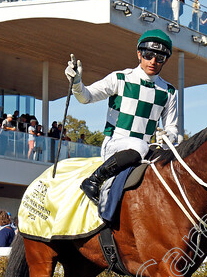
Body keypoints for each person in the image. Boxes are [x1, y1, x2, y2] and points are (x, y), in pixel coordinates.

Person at [65, 29, 178, 204]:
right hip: (115, 144)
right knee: (140, 146)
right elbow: (86, 97)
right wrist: (77, 83)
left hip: (145, 150)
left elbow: (172, 128)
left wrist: (168, 135)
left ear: (166, 60)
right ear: (139, 54)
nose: (153, 61)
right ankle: (94, 180)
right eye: (148, 55)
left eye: (160, 58)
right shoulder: (120, 79)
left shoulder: (169, 91)